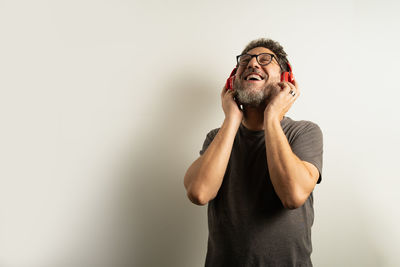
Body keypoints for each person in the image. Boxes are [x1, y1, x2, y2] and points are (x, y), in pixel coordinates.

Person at [183, 38, 323, 267]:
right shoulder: (217, 138)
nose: (252, 64)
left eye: (265, 60)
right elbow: (199, 193)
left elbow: (293, 195)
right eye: (245, 61)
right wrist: (231, 119)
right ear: (232, 83)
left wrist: (272, 116)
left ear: (286, 80)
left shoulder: (304, 132)